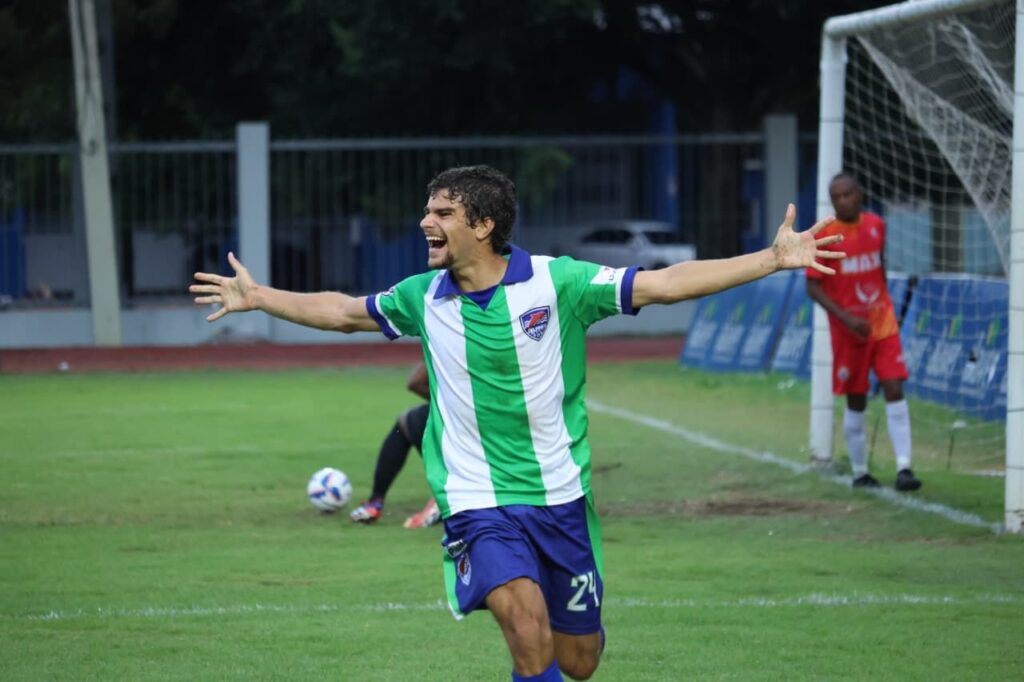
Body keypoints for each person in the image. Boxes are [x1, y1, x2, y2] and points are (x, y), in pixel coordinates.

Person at [191, 165, 842, 681]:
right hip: (476, 503)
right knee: (527, 632)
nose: (425, 222)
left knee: (578, 659)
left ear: (484, 222)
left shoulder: (559, 284)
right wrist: (258, 298)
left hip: (561, 498)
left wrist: (770, 259)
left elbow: (665, 282)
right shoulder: (422, 297)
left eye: (441, 212)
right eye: (428, 210)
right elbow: (340, 311)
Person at [806, 171, 922, 492]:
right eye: (837, 197)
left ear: (859, 194)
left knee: (894, 387)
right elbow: (812, 287)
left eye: (848, 194)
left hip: (881, 322)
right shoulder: (825, 236)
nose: (843, 200)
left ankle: (904, 468)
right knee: (856, 399)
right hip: (848, 330)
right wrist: (845, 318)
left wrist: (883, 303)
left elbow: (878, 267)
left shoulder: (876, 225)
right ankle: (860, 472)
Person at [348, 361, 441, 528]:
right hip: (496, 413)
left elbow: (416, 383)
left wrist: (450, 405)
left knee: (406, 423)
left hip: (469, 415)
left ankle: (375, 503)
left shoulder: (450, 337)